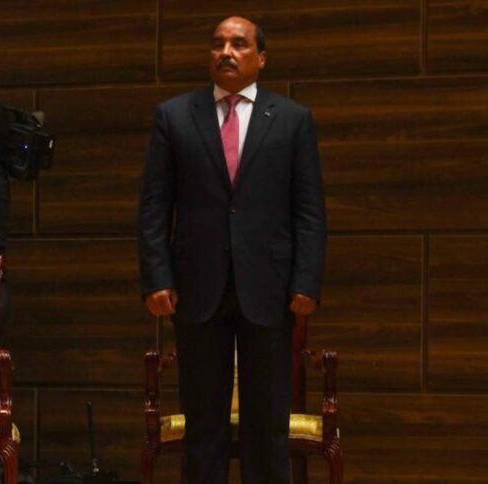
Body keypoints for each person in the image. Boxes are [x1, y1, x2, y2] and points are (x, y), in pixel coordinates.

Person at [137, 16, 326, 483]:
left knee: (268, 425)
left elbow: (309, 210)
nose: (226, 52)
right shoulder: (175, 116)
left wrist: (306, 281)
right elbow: (155, 206)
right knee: (204, 425)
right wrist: (157, 277)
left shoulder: (292, 119)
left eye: (239, 44)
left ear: (261, 58)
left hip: (270, 288)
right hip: (196, 288)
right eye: (218, 44)